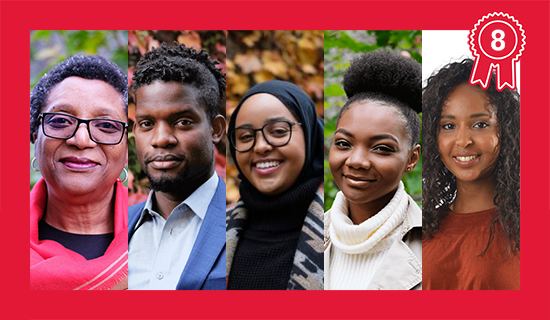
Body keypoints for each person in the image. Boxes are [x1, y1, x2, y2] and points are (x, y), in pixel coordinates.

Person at [128, 42, 226, 290]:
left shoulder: (243, 224)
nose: (161, 139)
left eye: (182, 122)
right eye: (147, 124)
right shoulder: (116, 229)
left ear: (215, 129)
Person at [324, 50, 422, 290]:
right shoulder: (305, 233)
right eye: (344, 144)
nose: (357, 161)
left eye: (381, 148)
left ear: (412, 158)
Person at [30, 55, 129, 290]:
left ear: (127, 150)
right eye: (61, 121)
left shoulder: (165, 240)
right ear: (35, 137)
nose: (81, 140)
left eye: (106, 125)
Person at [422, 59, 520, 290]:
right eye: (448, 126)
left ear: (506, 130)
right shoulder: (421, 229)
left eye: (480, 125)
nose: (463, 140)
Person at [226, 80, 324, 290]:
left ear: (309, 135)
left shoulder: (344, 232)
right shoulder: (214, 233)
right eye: (245, 136)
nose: (260, 146)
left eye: (278, 131)